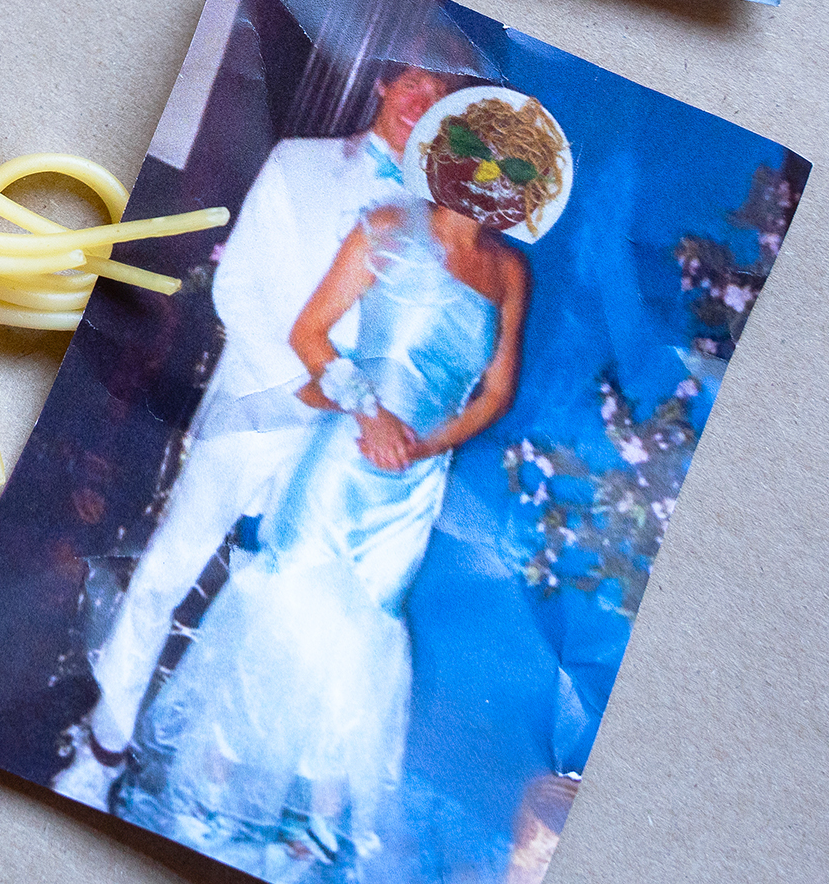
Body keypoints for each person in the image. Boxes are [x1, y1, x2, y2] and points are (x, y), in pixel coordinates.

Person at [110, 109, 539, 882]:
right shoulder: (385, 225)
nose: (488, 176)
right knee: (287, 614)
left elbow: (497, 392)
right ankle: (212, 798)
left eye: (509, 168)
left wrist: (426, 446)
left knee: (359, 639)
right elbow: (312, 333)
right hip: (344, 453)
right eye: (479, 155)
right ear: (448, 151)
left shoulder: (511, 272)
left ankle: (310, 827)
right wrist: (371, 416)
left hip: (414, 483)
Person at [52, 64, 463, 805]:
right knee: (164, 579)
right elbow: (239, 286)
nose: (422, 103)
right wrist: (306, 388)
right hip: (254, 413)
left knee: (270, 621)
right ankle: (102, 753)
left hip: (338, 457)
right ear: (383, 87)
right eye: (414, 84)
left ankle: (207, 784)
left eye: (439, 99)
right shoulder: (297, 161)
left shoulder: (432, 221)